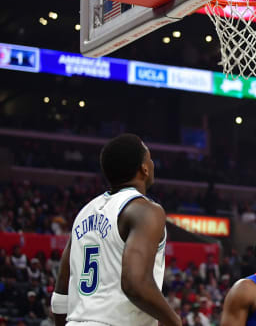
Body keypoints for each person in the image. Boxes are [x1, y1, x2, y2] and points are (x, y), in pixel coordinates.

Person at [51, 134, 181, 326]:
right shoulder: (145, 210)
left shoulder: (84, 213)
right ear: (144, 168)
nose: (152, 164)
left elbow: (60, 296)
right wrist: (174, 321)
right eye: (150, 159)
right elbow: (135, 284)